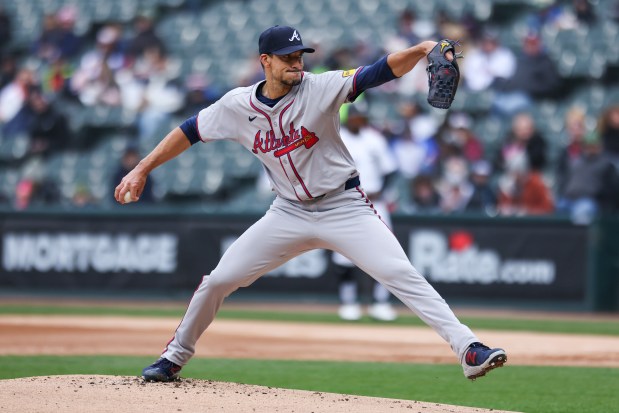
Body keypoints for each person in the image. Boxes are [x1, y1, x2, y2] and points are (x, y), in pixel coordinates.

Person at [115, 25, 506, 382]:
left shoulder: (320, 87)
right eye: (287, 57)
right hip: (287, 212)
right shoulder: (236, 106)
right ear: (264, 61)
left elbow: (379, 71)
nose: (296, 63)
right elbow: (189, 131)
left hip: (344, 205)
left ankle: (469, 349)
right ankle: (173, 358)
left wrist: (422, 48)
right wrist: (142, 168)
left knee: (400, 274)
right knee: (218, 280)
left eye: (300, 56)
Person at [331, 103, 399, 322]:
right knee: (344, 256)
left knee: (385, 253)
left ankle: (381, 302)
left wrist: (382, 191)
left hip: (374, 203)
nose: (359, 120)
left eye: (362, 117)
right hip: (347, 202)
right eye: (356, 117)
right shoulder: (337, 138)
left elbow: (390, 170)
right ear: (348, 118)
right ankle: (348, 301)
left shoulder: (374, 139)